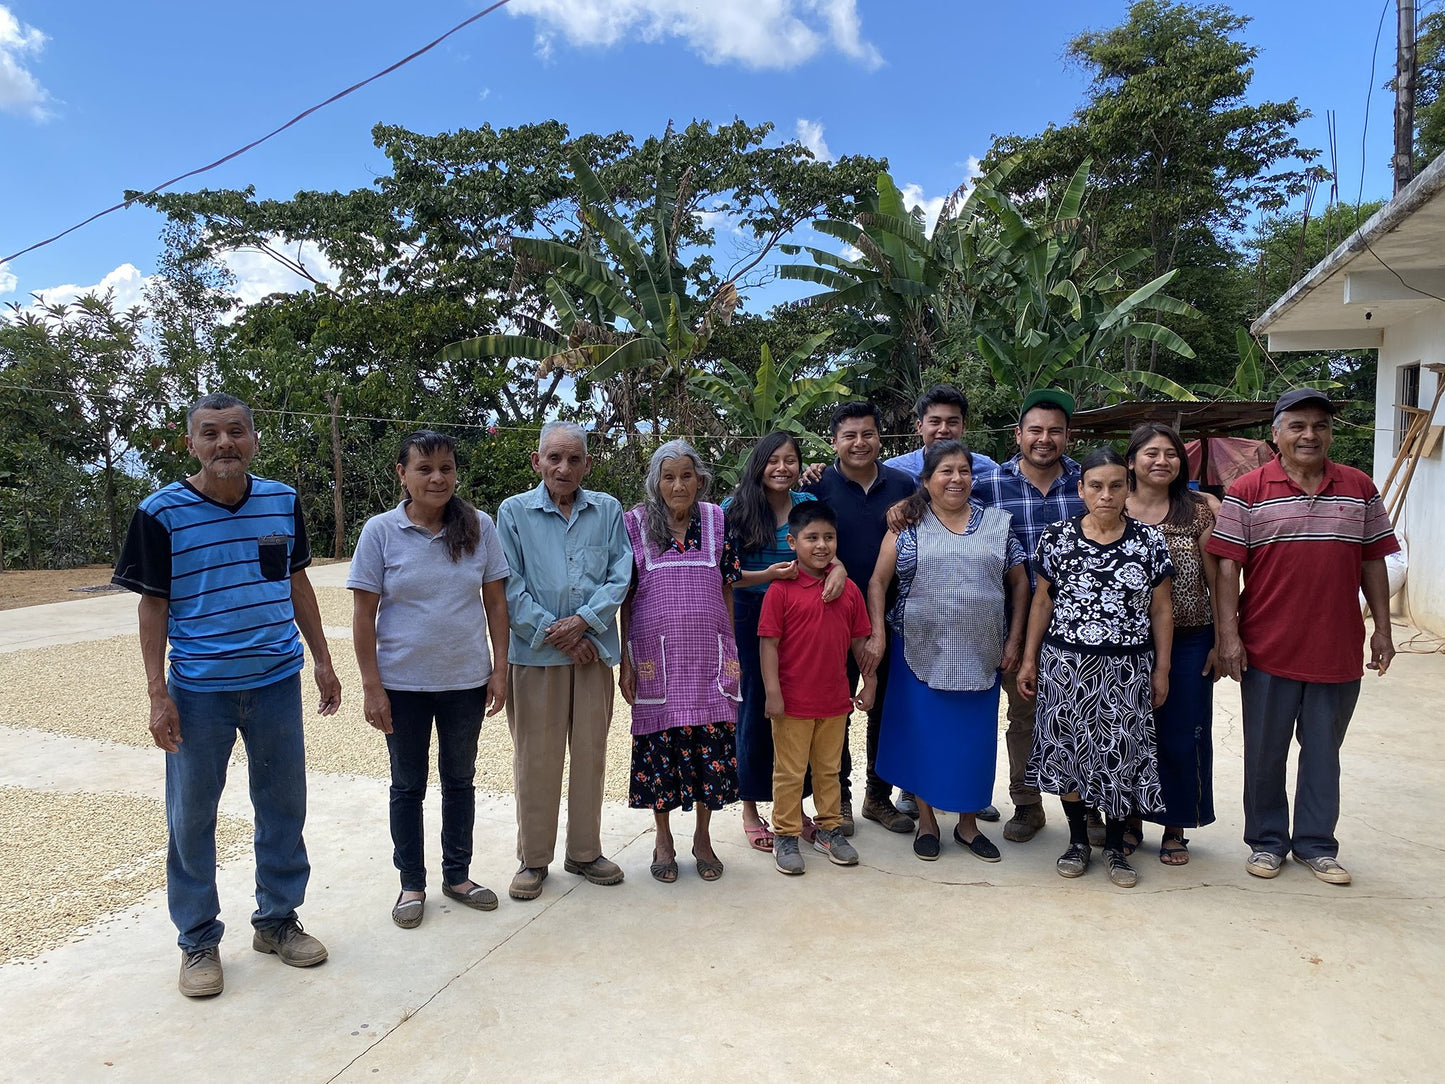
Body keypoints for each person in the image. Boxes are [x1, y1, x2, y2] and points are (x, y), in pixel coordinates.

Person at [112, 392, 340, 998]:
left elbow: (296, 582)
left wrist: (321, 659)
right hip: (199, 692)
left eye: (236, 432)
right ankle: (197, 942)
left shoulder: (281, 500)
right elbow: (152, 607)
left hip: (274, 683)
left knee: (284, 807)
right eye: (210, 434)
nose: (224, 445)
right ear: (190, 443)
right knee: (191, 819)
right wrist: (158, 695)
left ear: (255, 439)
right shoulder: (159, 514)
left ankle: (276, 921)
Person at [1207, 389, 1400, 886]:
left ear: (1331, 434)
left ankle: (1316, 845)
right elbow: (1227, 569)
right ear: (1275, 435)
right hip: (1268, 647)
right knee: (1265, 753)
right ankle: (1267, 842)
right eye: (1297, 425)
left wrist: (1382, 627)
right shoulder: (1248, 489)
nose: (1309, 435)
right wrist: (1229, 636)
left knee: (1322, 753)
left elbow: (1373, 558)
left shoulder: (1359, 487)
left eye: (1319, 425)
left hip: (1336, 649)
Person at [348, 431, 512, 928]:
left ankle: (457, 876)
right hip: (402, 686)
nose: (437, 477)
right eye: (425, 468)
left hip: (465, 681)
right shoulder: (380, 532)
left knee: (459, 780)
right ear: (402, 474)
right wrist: (371, 685)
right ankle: (411, 883)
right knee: (407, 785)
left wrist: (499, 669)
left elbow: (496, 604)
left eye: (446, 467)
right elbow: (363, 614)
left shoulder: (479, 527)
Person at [1017, 447, 1174, 889]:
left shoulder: (1148, 541)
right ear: (1081, 489)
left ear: (1128, 488)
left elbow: (1161, 610)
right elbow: (1042, 601)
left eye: (1116, 486)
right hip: (1066, 665)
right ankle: (1077, 840)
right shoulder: (1057, 537)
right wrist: (1029, 659)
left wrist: (1161, 669)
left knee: (1121, 757)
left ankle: (1117, 849)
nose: (1106, 495)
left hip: (1126, 668)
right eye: (1096, 486)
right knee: (1069, 753)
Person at [867, 441, 1030, 863]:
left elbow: (1020, 584)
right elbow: (878, 583)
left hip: (982, 651)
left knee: (972, 744)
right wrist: (879, 636)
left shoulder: (997, 523)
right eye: (945, 471)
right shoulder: (906, 526)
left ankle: (968, 825)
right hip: (918, 651)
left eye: (963, 471)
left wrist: (1013, 640)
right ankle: (926, 822)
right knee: (925, 740)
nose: (956, 478)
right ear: (926, 481)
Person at [495, 421, 632, 901]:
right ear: (537, 462)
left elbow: (620, 574)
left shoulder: (608, 510)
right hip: (536, 657)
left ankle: (585, 851)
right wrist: (563, 634)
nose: (563, 467)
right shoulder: (512, 512)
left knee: (591, 755)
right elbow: (508, 584)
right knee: (536, 759)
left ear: (587, 464)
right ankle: (533, 860)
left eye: (574, 459)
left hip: (592, 654)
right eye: (554, 458)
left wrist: (585, 621)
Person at [619, 440, 741, 883]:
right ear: (655, 482)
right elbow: (626, 597)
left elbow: (727, 585)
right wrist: (626, 662)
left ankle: (703, 838)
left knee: (711, 749)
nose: (678, 485)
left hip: (710, 657)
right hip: (658, 661)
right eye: (668, 477)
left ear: (700, 479)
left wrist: (733, 651)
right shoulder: (633, 524)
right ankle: (664, 839)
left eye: (686, 475)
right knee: (660, 751)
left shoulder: (716, 520)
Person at [968, 388, 1086, 843]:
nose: (1044, 438)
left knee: (1083, 716)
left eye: (1054, 431)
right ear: (1017, 434)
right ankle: (1028, 804)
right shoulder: (987, 487)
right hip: (1009, 624)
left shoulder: (1086, 483)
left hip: (1079, 624)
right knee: (1024, 717)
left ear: (1067, 437)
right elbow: (941, 506)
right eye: (1035, 430)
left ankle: (1088, 808)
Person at [722, 431, 846, 854]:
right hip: (749, 614)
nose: (781, 467)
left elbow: (825, 548)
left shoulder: (807, 507)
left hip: (802, 613)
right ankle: (751, 808)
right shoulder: (733, 510)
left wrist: (840, 570)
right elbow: (725, 573)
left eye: (790, 460)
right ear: (759, 463)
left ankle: (794, 810)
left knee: (799, 707)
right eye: (773, 459)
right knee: (757, 706)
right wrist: (770, 576)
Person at [804, 402, 917, 835]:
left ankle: (877, 796)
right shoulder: (817, 486)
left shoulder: (904, 485)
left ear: (879, 439)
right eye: (849, 436)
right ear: (834, 442)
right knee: (834, 710)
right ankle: (840, 799)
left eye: (867, 434)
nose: (859, 443)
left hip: (893, 617)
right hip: (829, 618)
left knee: (884, 708)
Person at [1124, 423, 1221, 865]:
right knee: (1128, 734)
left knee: (1182, 735)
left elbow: (1217, 578)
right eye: (1151, 453)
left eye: (1171, 453)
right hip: (1123, 643)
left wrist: (1225, 637)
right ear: (1132, 461)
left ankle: (1175, 824)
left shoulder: (1198, 510)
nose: (1162, 461)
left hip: (1188, 639)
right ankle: (1128, 820)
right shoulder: (1111, 504)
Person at [759, 502, 873, 875]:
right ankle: (787, 834)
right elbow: (768, 644)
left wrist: (868, 683)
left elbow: (860, 642)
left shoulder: (848, 589)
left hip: (835, 701)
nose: (821, 545)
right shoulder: (780, 591)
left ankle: (829, 830)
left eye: (829, 537)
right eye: (812, 538)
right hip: (792, 702)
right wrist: (772, 692)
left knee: (829, 770)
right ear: (792, 542)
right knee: (790, 772)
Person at [883, 384, 1000, 483]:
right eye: (935, 422)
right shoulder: (894, 471)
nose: (943, 429)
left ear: (963, 427)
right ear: (920, 426)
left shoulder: (987, 471)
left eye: (952, 422)